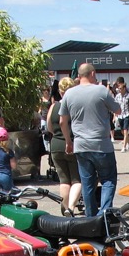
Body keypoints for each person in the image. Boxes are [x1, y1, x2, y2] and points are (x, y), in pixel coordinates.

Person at [60, 62, 120, 218]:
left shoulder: (69, 94)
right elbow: (118, 110)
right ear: (92, 73)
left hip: (81, 145)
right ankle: (104, 216)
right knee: (108, 180)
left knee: (87, 184)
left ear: (79, 76)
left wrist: (68, 141)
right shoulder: (101, 90)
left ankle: (91, 219)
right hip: (101, 145)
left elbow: (62, 121)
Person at [48, 77, 82, 216]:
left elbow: (49, 127)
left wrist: (57, 134)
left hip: (56, 144)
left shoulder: (54, 106)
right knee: (76, 179)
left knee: (63, 180)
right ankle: (71, 207)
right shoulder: (75, 106)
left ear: (60, 91)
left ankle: (65, 206)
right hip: (72, 144)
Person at [113, 81, 129, 152]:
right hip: (120, 115)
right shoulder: (117, 96)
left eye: (120, 88)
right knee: (122, 131)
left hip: (126, 114)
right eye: (118, 89)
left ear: (124, 88)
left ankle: (124, 147)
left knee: (125, 131)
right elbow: (115, 106)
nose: (119, 90)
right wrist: (114, 115)